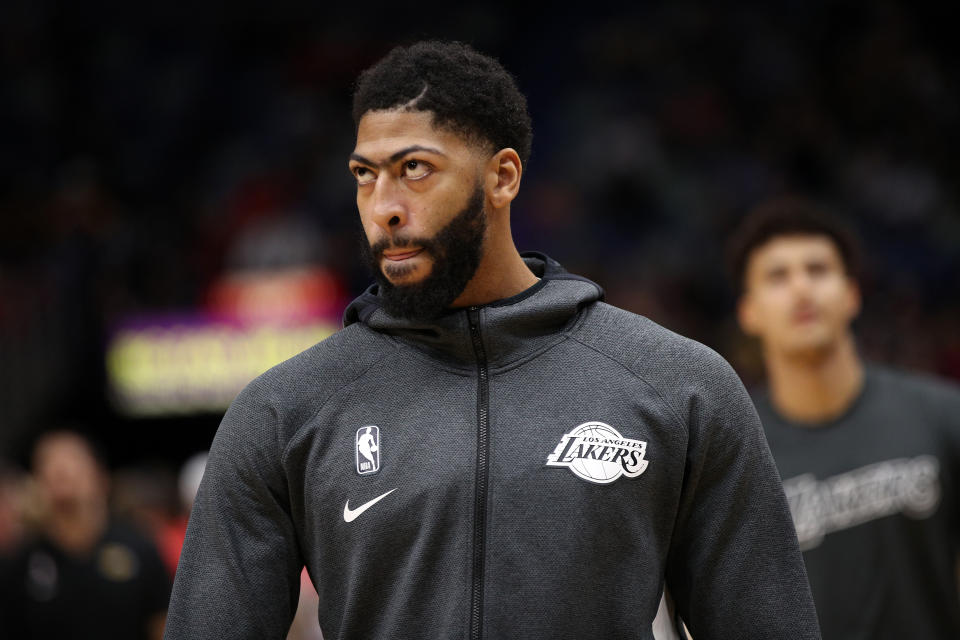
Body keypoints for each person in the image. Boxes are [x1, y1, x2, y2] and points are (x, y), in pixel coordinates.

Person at [165, 41, 820, 640]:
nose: (383, 205)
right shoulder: (285, 412)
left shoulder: (678, 386)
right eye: (366, 175)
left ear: (502, 177)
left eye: (415, 169)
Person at [728, 196, 960, 639]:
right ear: (749, 312)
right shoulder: (737, 455)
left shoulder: (942, 415)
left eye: (817, 270)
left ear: (852, 294)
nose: (801, 289)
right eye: (778, 276)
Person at [0, 430, 171, 639]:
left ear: (101, 476)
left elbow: (162, 625)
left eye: (72, 461)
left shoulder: (139, 549)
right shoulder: (20, 565)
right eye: (48, 463)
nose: (60, 471)